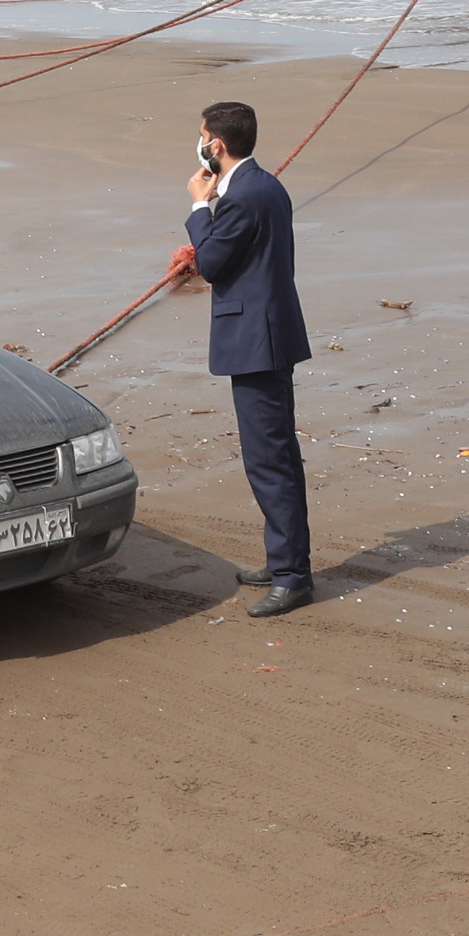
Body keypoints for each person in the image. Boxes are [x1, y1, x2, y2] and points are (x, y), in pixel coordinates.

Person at [185, 100, 315, 618]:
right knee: (272, 456)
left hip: (259, 342)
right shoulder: (261, 185)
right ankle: (282, 558)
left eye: (201, 137)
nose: (198, 145)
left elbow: (212, 262)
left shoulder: (242, 195)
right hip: (268, 333)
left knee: (270, 460)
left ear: (216, 145)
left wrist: (200, 206)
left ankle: (292, 576)